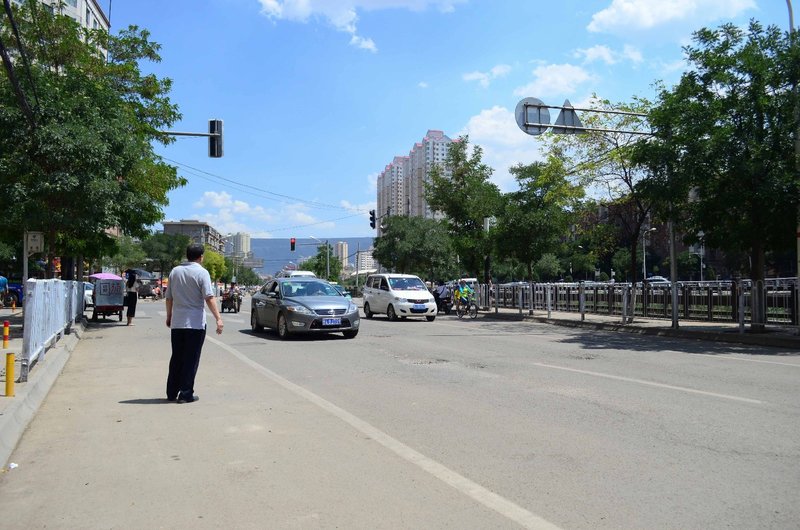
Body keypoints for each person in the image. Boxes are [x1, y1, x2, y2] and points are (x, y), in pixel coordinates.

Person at [165, 244, 224, 404]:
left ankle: (171, 392)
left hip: (177, 322)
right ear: (201, 257)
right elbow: (209, 297)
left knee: (177, 357)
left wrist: (169, 316)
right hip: (195, 324)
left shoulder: (175, 271)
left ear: (187, 255)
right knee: (191, 359)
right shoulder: (202, 272)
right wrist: (218, 318)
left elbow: (169, 297)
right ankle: (185, 393)